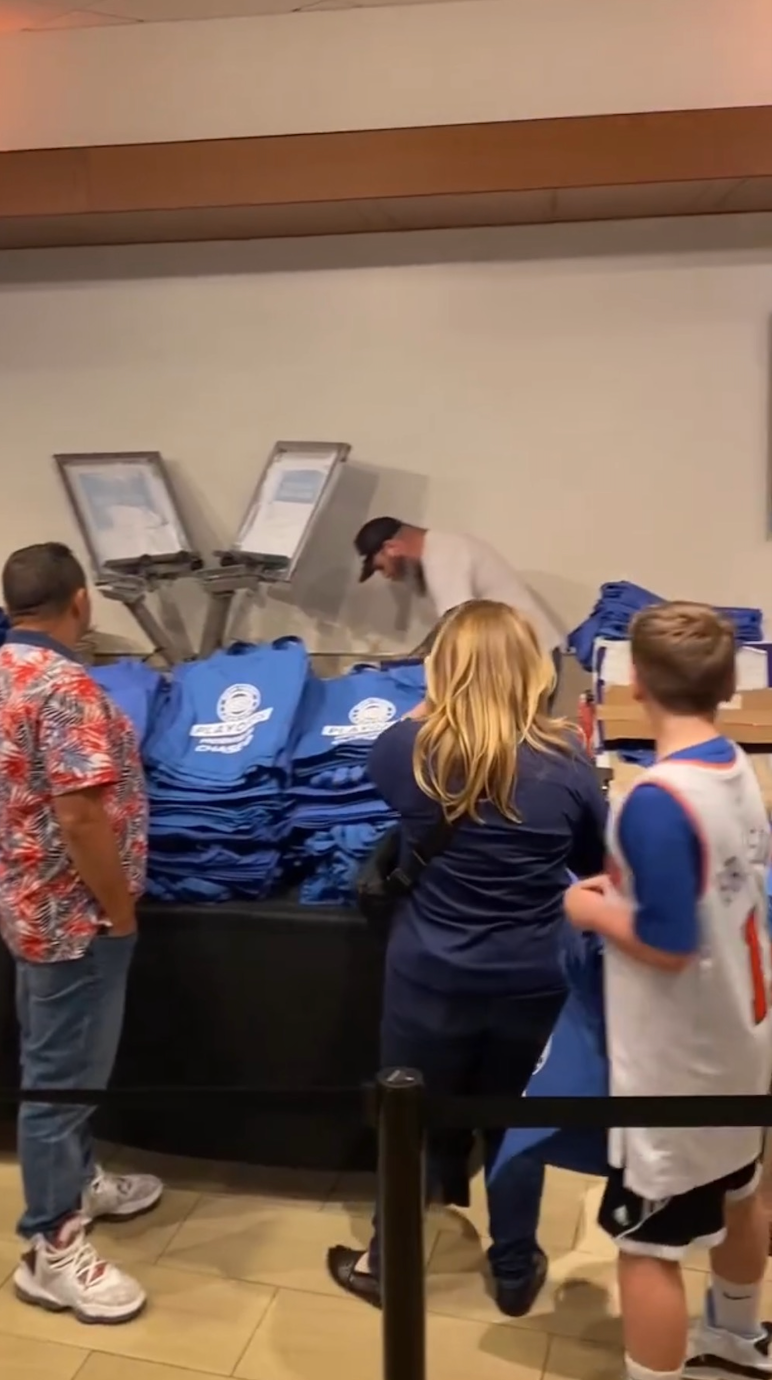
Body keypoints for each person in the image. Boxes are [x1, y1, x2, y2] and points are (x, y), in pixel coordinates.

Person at [327, 599, 606, 1317]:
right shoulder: (568, 764)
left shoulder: (402, 752)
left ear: (440, 668)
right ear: (533, 673)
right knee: (513, 1124)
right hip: (532, 974)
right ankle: (514, 1267)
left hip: (429, 972)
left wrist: (441, 695)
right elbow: (590, 860)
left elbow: (411, 746)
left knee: (409, 1118)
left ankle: (388, 1262)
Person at [564, 602, 772, 1380]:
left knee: (646, 1245)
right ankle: (737, 1333)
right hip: (742, 1036)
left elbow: (670, 941)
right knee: (741, 1193)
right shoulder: (735, 766)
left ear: (638, 680)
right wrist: (627, 893)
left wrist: (588, 907)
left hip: (679, 1061)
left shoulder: (654, 797)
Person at [0, 542, 162, 1326]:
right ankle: (52, 1247)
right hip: (76, 919)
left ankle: (77, 1181)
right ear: (81, 601)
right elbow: (79, 815)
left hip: (27, 903)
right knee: (59, 1084)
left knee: (60, 1070)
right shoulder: (66, 687)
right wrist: (118, 909)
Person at [353, 516, 564, 691]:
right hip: (524, 658)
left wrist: (397, 670)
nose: (388, 575)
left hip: (528, 661)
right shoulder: (444, 547)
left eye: (381, 567)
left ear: (392, 548)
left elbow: (458, 632)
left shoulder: (444, 559)